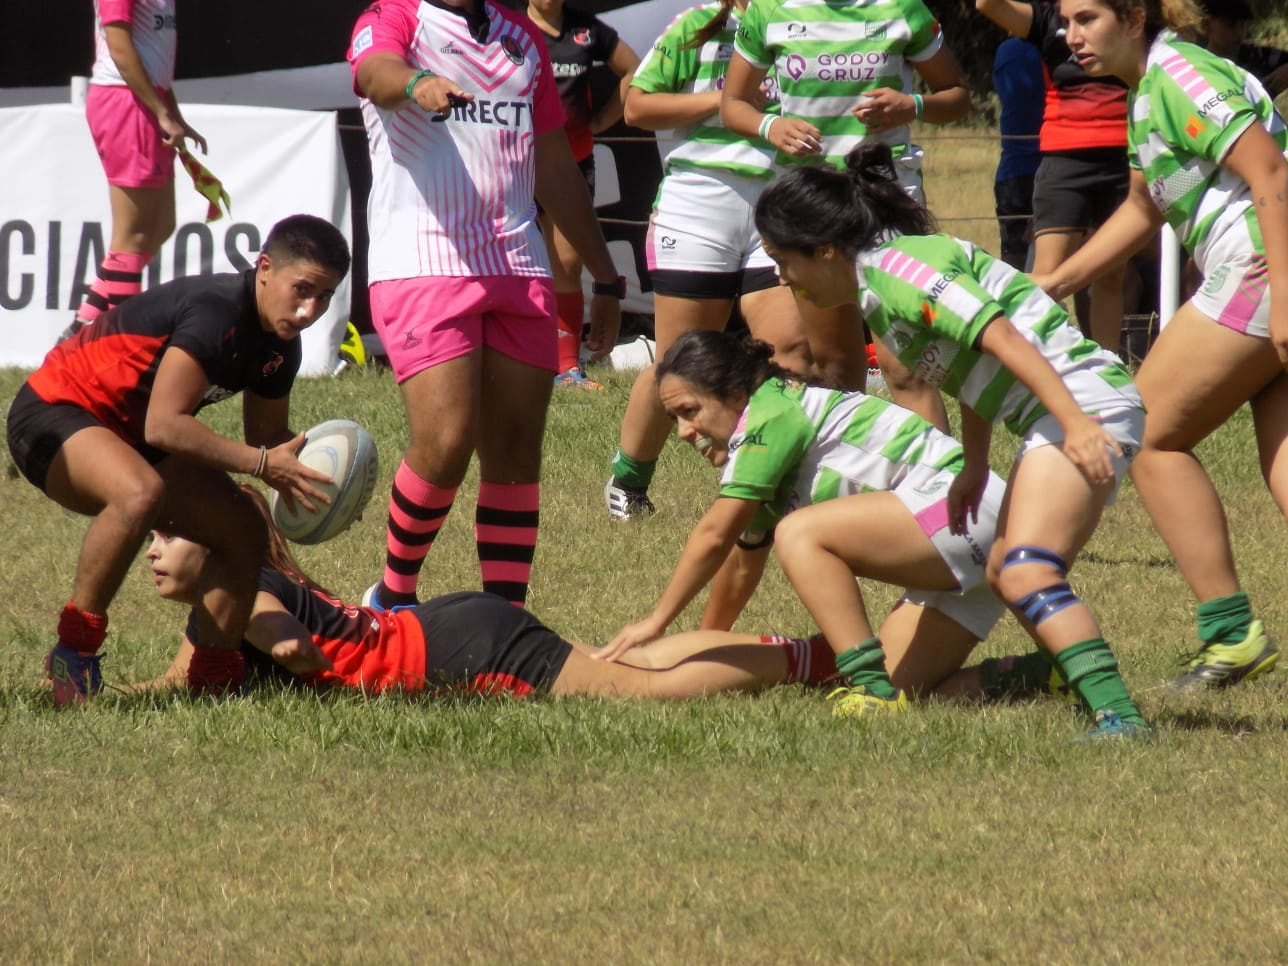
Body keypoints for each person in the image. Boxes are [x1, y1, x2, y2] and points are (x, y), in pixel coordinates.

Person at [752, 144, 1151, 739]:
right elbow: (972, 374)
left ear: (827, 251)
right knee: (1003, 566)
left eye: (783, 259)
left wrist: (1075, 423)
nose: (783, 277)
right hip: (1062, 407)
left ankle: (1120, 718)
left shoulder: (900, 273)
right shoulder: (879, 296)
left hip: (1081, 400)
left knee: (1025, 569)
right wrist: (974, 464)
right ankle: (1064, 677)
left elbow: (1004, 337)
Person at [1038, 0, 1286, 691]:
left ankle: (1231, 633)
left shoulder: (1178, 73)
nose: (1070, 34)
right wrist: (1058, 281)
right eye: (1065, 20)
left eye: (1087, 17)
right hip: (1266, 268)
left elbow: (1271, 173)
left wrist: (1285, 298)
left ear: (1137, 16)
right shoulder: (1147, 90)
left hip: (1265, 267)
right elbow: (1144, 208)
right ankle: (1231, 634)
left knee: (1145, 431)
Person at [6, 214, 350, 705]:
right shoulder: (218, 313)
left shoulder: (280, 346)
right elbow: (164, 426)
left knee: (241, 528)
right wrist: (258, 463)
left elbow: (268, 438)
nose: (310, 309)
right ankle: (74, 654)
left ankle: (211, 678)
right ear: (266, 268)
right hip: (53, 412)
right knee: (139, 492)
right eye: (303, 289)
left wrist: (331, 479)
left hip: (131, 437)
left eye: (325, 297)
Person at [348, 0, 625, 611]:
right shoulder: (394, 16)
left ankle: (506, 620)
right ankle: (391, 600)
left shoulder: (521, 35)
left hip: (518, 266)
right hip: (424, 262)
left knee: (517, 448)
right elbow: (374, 72)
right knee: (447, 441)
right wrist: (417, 82)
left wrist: (605, 274)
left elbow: (553, 163)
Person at [599, 330, 1011, 709]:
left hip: (964, 509)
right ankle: (1040, 675)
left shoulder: (770, 414)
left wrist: (656, 621)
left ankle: (871, 686)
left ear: (737, 395)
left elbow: (713, 536)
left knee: (799, 533)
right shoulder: (769, 431)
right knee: (911, 697)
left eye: (690, 411)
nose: (684, 432)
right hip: (973, 533)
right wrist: (705, 648)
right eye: (675, 419)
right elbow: (741, 564)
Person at [143, 486, 843, 699]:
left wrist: (280, 660)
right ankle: (809, 656)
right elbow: (179, 682)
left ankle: (811, 661)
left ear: (210, 543)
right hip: (445, 628)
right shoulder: (239, 591)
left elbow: (291, 645)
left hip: (457, 652)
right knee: (630, 669)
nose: (151, 551)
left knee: (637, 693)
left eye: (165, 537)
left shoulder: (239, 595)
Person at [603, 0, 815, 520]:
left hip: (782, 200)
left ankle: (776, 484)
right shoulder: (695, 24)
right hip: (700, 202)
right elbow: (636, 107)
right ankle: (628, 481)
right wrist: (722, 101)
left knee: (790, 352)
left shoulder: (809, 23)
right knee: (678, 358)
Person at [719, 0, 972, 431]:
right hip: (809, 205)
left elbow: (958, 97)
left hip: (885, 199)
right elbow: (733, 104)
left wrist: (912, 106)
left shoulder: (902, 8)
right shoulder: (769, 10)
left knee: (905, 368)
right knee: (835, 367)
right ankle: (851, 479)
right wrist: (770, 127)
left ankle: (935, 490)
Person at [975, 0, 1135, 352]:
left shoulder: (1129, 13)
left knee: (1111, 278)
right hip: (1065, 160)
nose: (1077, 33)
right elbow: (987, 5)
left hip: (1127, 156)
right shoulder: (1050, 19)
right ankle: (1033, 367)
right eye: (1070, 23)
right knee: (1047, 275)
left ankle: (1109, 373)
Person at [63, 0, 207, 342]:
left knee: (161, 225)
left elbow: (155, 56)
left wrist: (171, 111)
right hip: (124, 101)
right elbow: (119, 45)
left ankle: (84, 329)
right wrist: (160, 110)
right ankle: (122, 344)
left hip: (145, 101)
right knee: (131, 238)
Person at [525, 0, 641, 389]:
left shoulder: (586, 29)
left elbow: (633, 69)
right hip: (515, 166)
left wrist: (601, 121)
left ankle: (566, 367)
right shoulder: (509, 29)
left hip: (571, 166)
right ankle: (516, 358)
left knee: (568, 263)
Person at [993, 37, 1045, 269]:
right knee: (1079, 262)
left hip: (1014, 171)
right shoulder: (1061, 52)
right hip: (1060, 166)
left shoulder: (1007, 50)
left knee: (1013, 261)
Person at [1202, 0, 1288, 96]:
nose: (1239, 33)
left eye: (1243, 25)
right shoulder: (1196, 65)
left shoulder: (1257, 56)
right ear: (1206, 25)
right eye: (1231, 25)